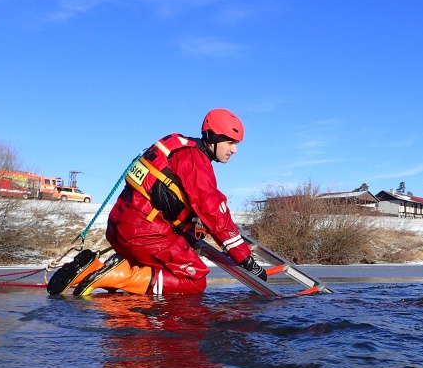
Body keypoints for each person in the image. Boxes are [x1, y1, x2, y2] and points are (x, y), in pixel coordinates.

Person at [47, 108, 267, 296]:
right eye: (230, 142)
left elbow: (169, 201)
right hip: (145, 234)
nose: (234, 149)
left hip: (119, 228)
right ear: (212, 137)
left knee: (160, 266)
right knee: (195, 281)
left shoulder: (178, 147)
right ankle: (116, 275)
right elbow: (214, 212)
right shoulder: (196, 161)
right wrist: (246, 259)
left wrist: (192, 230)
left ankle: (92, 269)